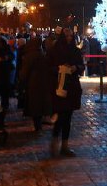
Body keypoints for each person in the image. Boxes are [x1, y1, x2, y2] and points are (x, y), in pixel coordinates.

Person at [48, 27, 84, 157]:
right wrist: (59, 69)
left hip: (72, 87)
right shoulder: (54, 50)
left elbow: (81, 65)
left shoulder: (75, 50)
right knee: (60, 115)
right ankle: (55, 141)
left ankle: (65, 145)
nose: (69, 38)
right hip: (59, 87)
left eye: (70, 36)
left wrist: (76, 67)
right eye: (66, 36)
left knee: (68, 117)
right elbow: (48, 67)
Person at [19, 36, 53, 131]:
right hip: (42, 82)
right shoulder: (41, 53)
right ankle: (38, 124)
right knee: (39, 104)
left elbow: (25, 71)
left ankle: (37, 125)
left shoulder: (30, 55)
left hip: (33, 83)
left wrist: (21, 80)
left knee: (35, 105)